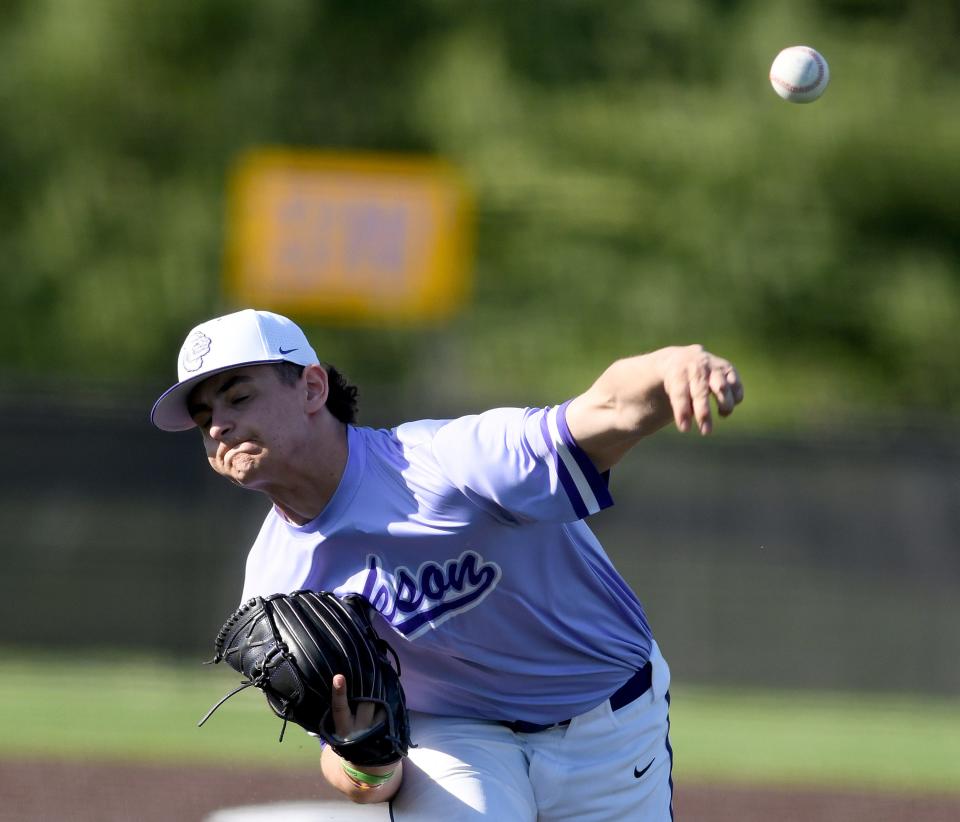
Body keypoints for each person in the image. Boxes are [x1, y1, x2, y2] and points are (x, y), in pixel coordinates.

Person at [151, 308, 743, 820]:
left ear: (311, 388)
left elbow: (599, 412)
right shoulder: (275, 588)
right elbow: (359, 773)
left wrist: (671, 364)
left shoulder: (445, 462)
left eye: (239, 396)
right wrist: (366, 758)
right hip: (454, 736)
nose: (219, 427)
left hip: (605, 715)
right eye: (205, 418)